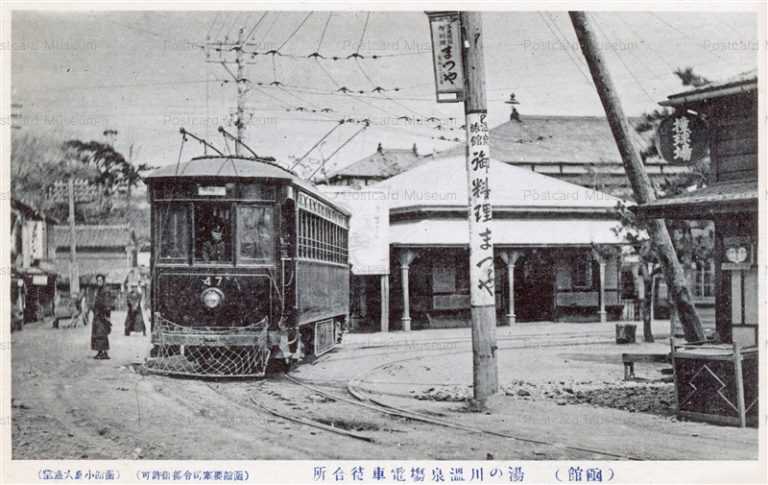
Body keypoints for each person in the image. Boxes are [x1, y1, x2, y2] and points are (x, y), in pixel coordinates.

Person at [91, 274, 113, 360]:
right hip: (97, 315)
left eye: (100, 280)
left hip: (102, 315)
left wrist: (106, 315)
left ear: (103, 281)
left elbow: (107, 304)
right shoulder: (99, 290)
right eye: (97, 280)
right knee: (97, 334)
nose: (99, 282)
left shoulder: (105, 291)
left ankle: (105, 352)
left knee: (102, 334)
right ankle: (100, 351)